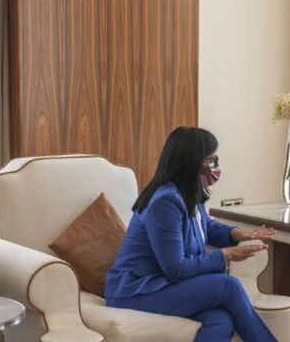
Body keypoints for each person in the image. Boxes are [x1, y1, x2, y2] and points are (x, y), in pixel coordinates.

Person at [105, 127, 278, 342]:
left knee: (221, 319)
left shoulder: (187, 193)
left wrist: (239, 233)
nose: (215, 165)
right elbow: (175, 268)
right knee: (228, 285)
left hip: (163, 285)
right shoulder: (164, 202)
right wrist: (227, 255)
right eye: (211, 159)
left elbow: (206, 225)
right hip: (136, 291)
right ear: (192, 161)